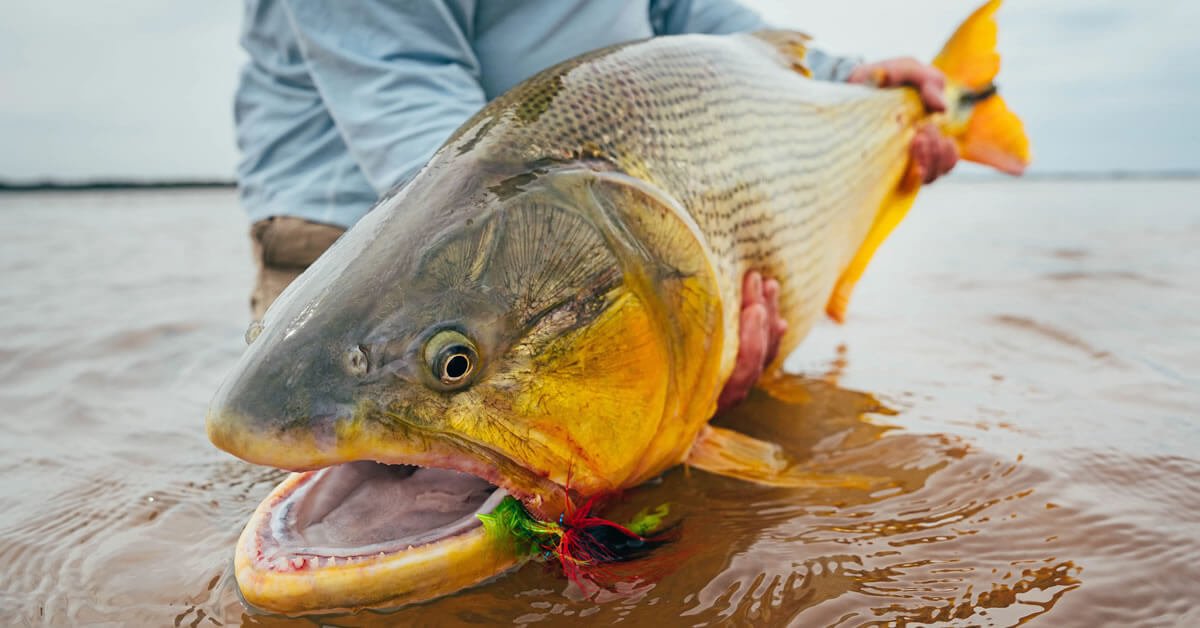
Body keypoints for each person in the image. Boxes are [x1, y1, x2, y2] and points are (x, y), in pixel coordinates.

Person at [234, 0, 958, 410]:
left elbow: (698, 19)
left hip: (594, 214)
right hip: (361, 255)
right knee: (313, 474)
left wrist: (849, 81)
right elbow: (416, 115)